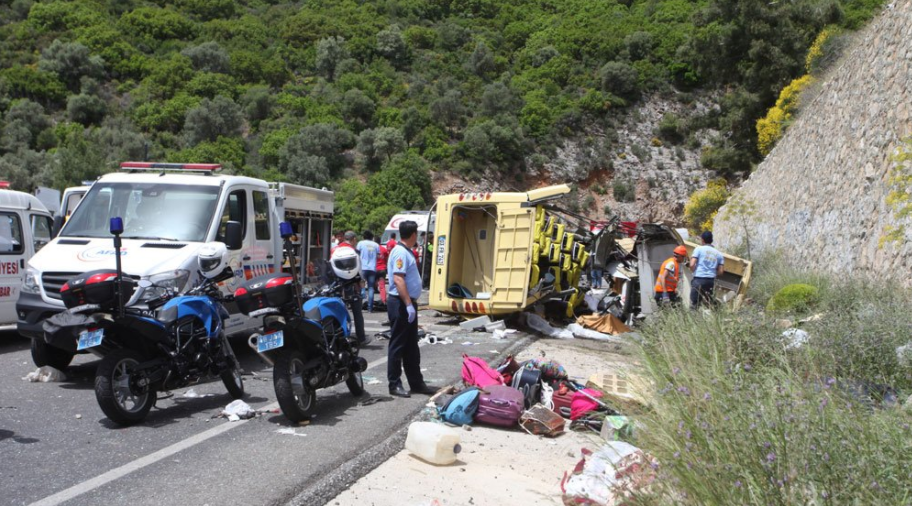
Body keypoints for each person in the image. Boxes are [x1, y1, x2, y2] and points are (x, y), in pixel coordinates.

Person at [386, 220, 435, 398]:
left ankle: (416, 382)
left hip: (407, 303)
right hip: (400, 303)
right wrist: (408, 304)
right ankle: (394, 384)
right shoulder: (400, 252)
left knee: (411, 346)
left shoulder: (405, 251)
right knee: (398, 345)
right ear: (413, 234)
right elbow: (398, 279)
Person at [330, 231, 367, 344]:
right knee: (357, 313)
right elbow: (359, 270)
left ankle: (339, 337)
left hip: (338, 286)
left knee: (338, 312)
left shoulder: (335, 250)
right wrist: (362, 283)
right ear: (354, 239)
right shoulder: (354, 252)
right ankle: (361, 338)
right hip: (353, 286)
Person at [689, 231, 724, 307]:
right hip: (710, 281)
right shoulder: (719, 254)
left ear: (702, 240)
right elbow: (721, 272)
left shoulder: (698, 249)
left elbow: (691, 264)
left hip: (699, 279)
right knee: (708, 304)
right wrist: (713, 273)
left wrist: (693, 271)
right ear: (712, 240)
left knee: (694, 304)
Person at [356, 230, 380, 313]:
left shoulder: (360, 243)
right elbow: (378, 256)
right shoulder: (376, 245)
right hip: (372, 268)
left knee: (360, 286)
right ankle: (370, 308)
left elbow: (357, 254)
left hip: (362, 267)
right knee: (371, 288)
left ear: (363, 236)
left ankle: (359, 306)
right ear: (372, 237)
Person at [376, 238, 389, 305]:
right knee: (382, 286)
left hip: (374, 269)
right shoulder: (384, 249)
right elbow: (387, 258)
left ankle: (370, 303)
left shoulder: (373, 249)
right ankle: (383, 300)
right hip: (382, 269)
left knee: (371, 287)